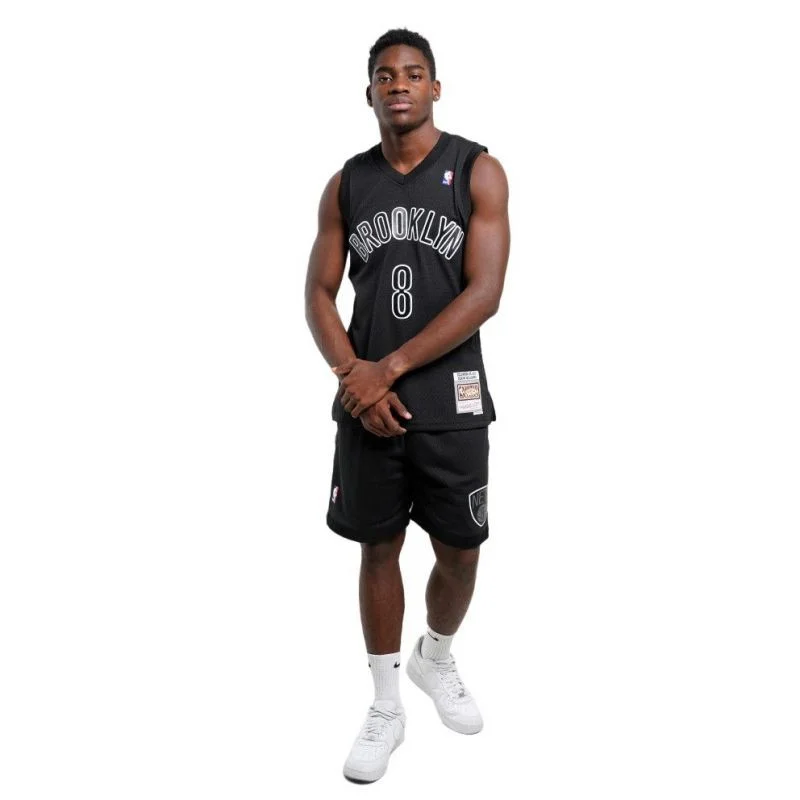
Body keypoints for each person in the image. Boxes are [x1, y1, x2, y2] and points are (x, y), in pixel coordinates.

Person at [304, 27, 510, 783]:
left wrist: (384, 369)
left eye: (414, 74)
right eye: (386, 75)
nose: (399, 84)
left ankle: (436, 657)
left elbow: (485, 293)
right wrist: (351, 376)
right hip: (366, 399)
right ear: (369, 91)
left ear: (435, 88)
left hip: (449, 395)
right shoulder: (347, 183)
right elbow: (318, 290)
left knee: (461, 551)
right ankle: (386, 702)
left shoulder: (477, 169)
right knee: (378, 547)